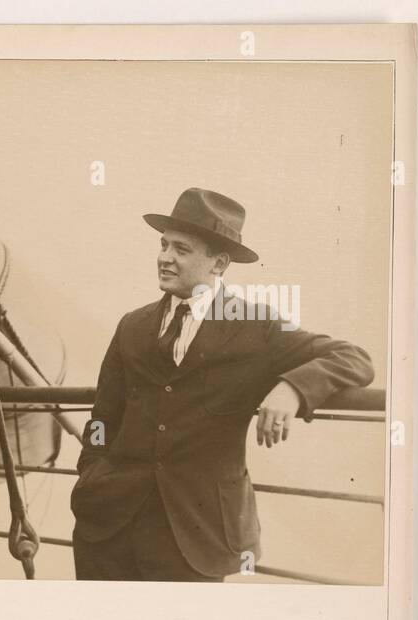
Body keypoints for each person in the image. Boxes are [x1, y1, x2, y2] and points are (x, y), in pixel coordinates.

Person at [71, 188, 375, 581]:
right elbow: (102, 418)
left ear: (219, 263)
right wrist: (91, 474)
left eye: (181, 249)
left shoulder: (256, 326)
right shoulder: (132, 325)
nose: (164, 257)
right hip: (108, 530)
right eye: (164, 245)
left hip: (196, 539)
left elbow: (355, 358)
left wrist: (292, 389)